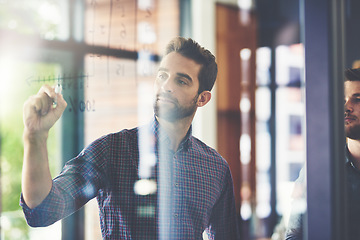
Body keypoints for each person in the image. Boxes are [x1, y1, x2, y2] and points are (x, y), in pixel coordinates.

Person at [21, 36, 241, 239]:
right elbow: (42, 211)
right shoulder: (111, 150)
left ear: (202, 98)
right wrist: (35, 137)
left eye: (181, 81)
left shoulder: (216, 168)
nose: (166, 86)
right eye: (162, 75)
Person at [285, 67, 360, 239]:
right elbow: (294, 235)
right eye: (342, 100)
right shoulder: (318, 168)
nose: (347, 107)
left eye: (357, 99)